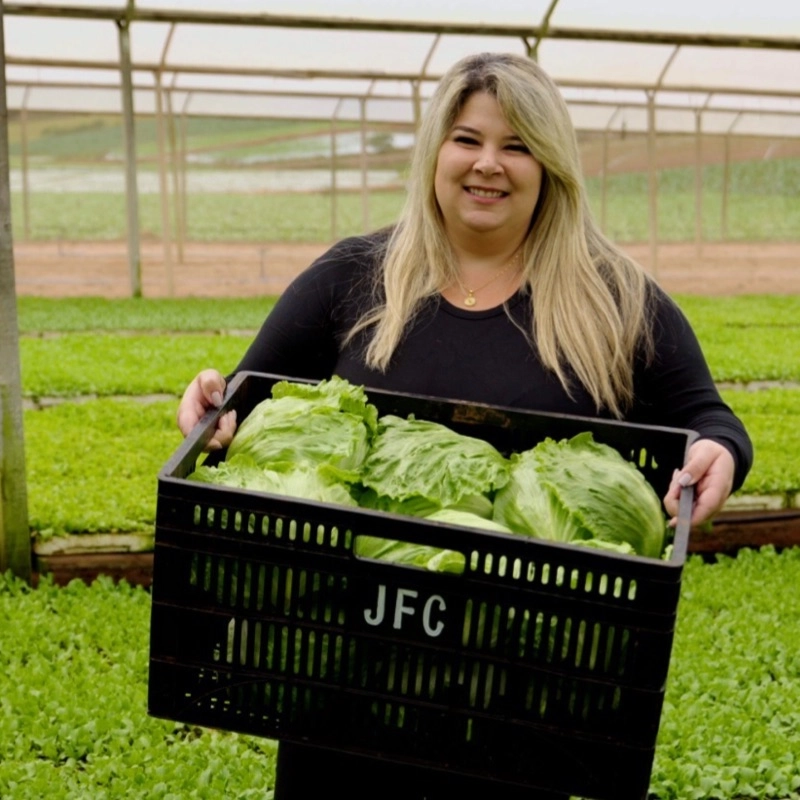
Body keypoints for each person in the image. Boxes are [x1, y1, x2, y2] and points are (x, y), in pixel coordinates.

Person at [176, 52, 752, 798]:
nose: (489, 165)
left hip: (520, 690)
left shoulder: (614, 297)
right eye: (467, 139)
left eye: (516, 146)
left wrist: (719, 451)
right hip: (347, 674)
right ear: (435, 153)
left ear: (549, 165)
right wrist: (213, 410)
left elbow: (708, 417)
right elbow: (242, 399)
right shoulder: (355, 275)